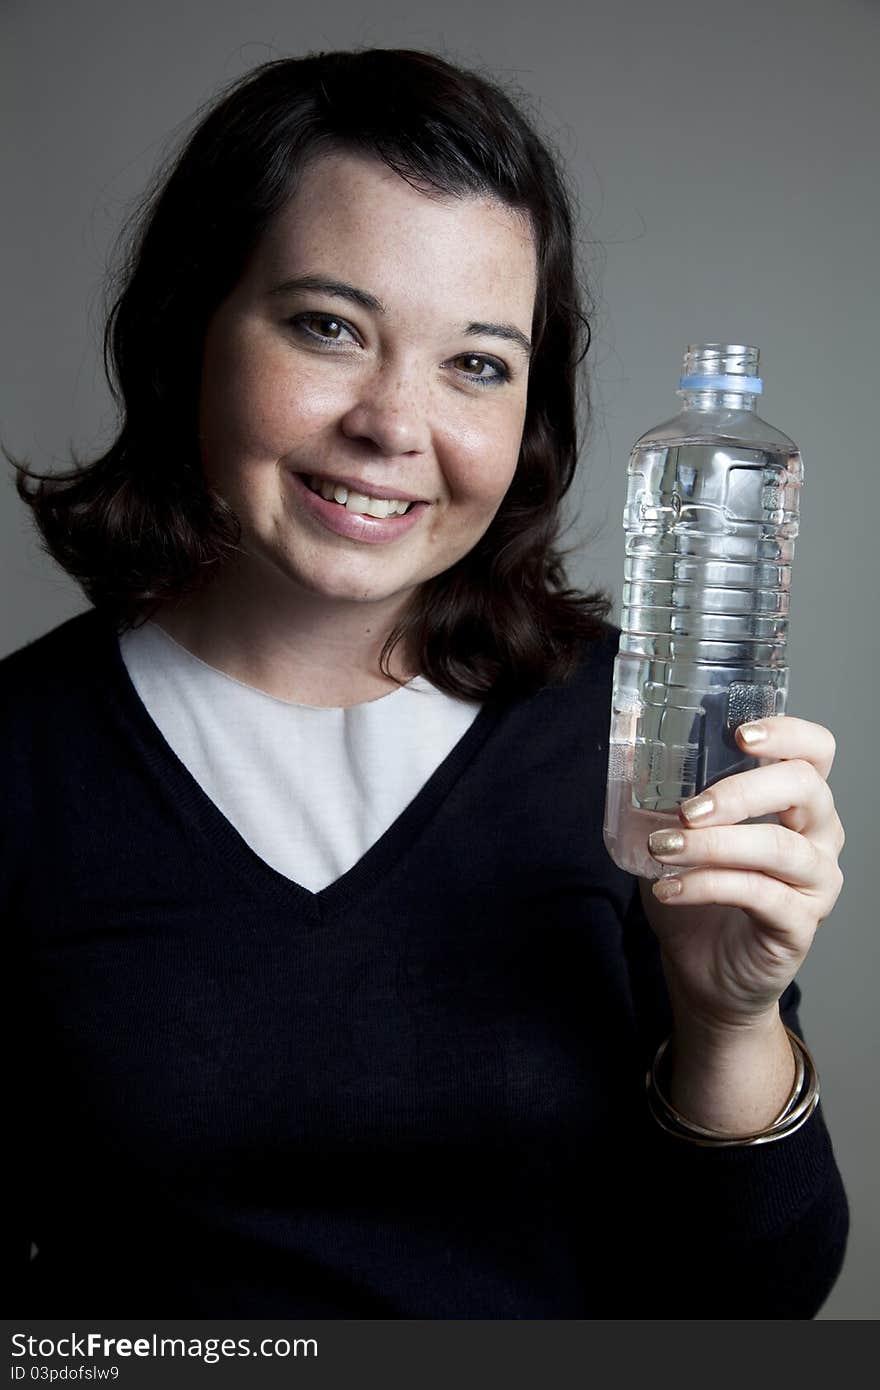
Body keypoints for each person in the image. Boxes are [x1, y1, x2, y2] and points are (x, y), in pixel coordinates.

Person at [4, 48, 849, 1318]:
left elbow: (750, 1308)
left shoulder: (631, 737)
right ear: (193, 327)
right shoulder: (20, 759)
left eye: (476, 363)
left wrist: (726, 1024)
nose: (395, 425)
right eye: (328, 327)